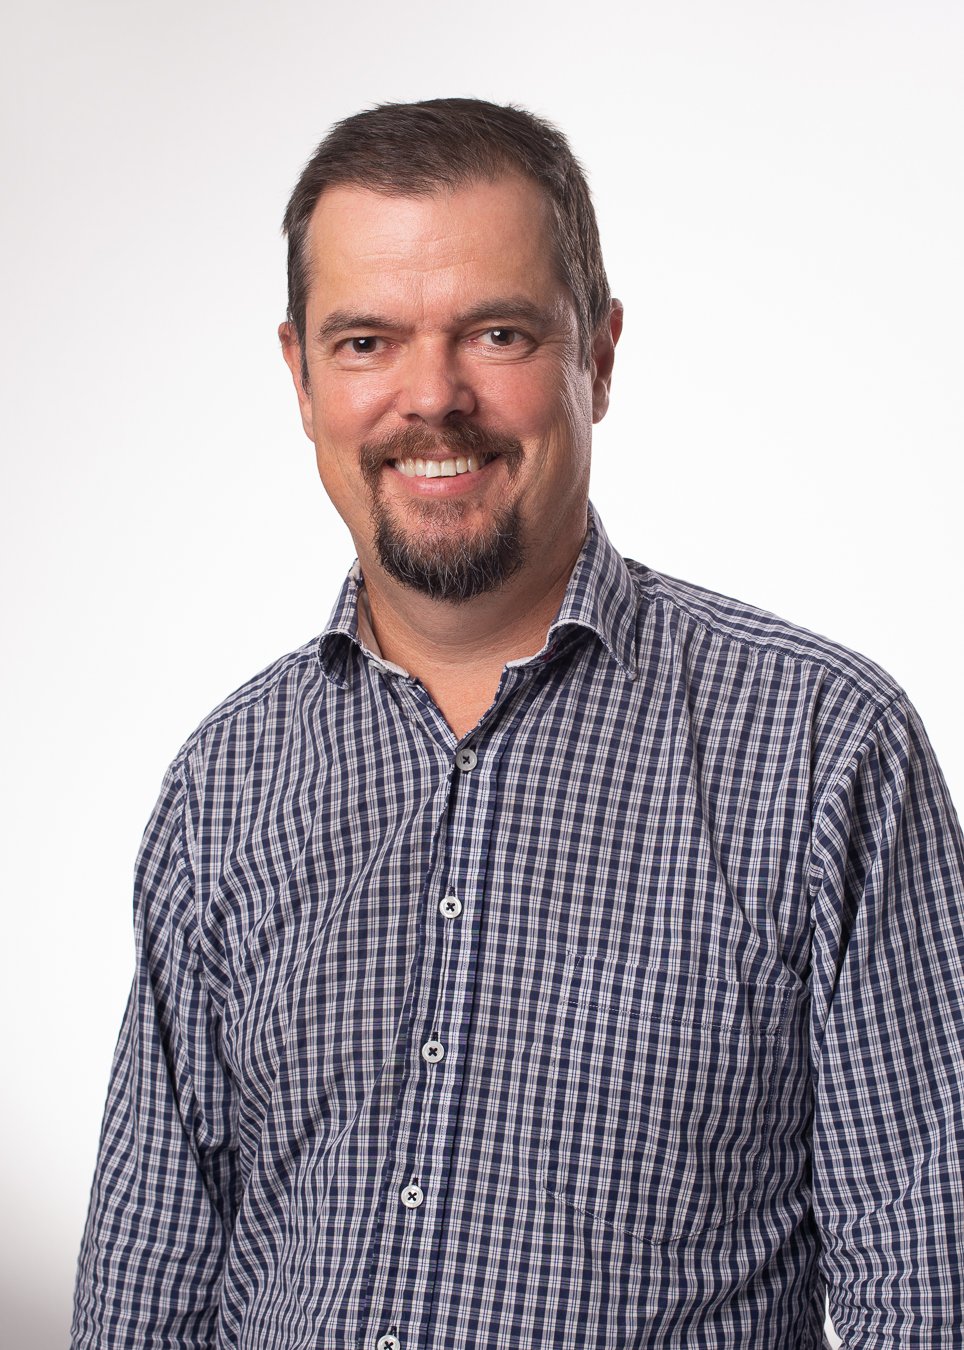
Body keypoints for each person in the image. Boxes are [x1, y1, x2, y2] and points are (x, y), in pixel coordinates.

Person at [72, 98, 963, 1349]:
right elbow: (149, 1289)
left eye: (496, 333)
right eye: (367, 341)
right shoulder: (225, 786)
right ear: (300, 375)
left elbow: (927, 1290)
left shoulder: (826, 754)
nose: (431, 401)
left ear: (598, 351)